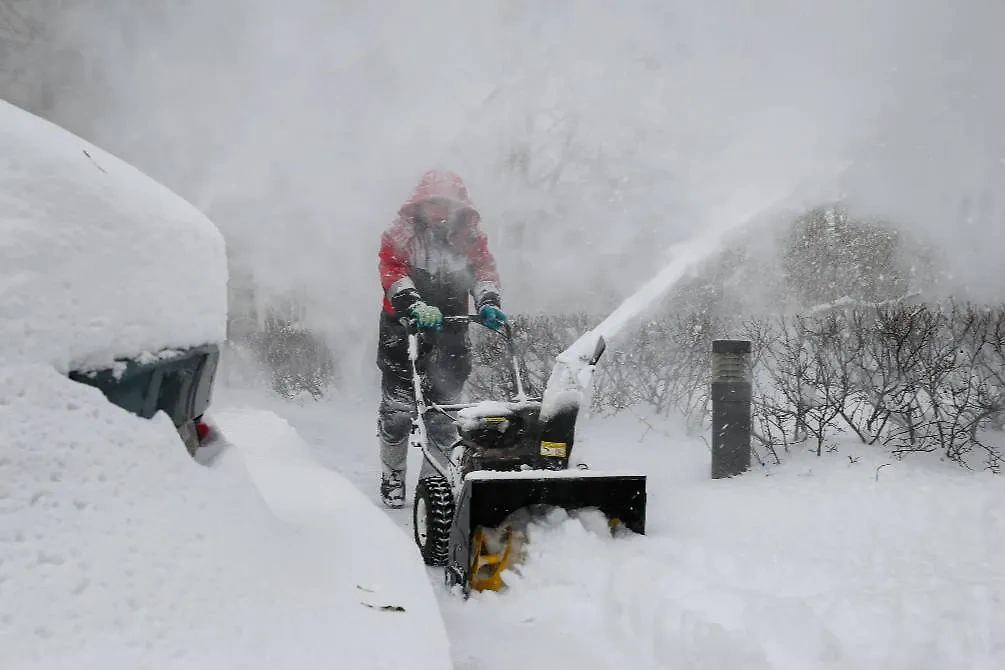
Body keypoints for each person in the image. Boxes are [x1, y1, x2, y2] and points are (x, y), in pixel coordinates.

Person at [375, 170, 507, 508]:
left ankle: (433, 488)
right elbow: (391, 270)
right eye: (433, 203)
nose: (440, 210)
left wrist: (488, 301)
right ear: (420, 204)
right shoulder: (401, 234)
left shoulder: (470, 238)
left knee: (445, 413)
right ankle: (393, 475)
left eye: (446, 203)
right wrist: (414, 303)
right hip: (402, 328)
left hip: (451, 329)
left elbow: (483, 271)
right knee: (399, 410)